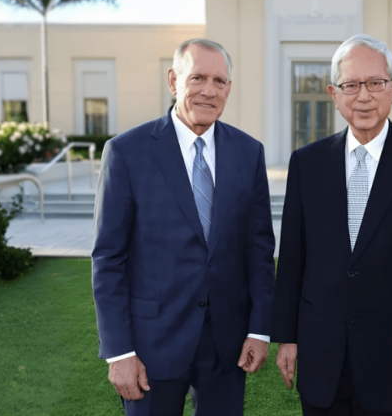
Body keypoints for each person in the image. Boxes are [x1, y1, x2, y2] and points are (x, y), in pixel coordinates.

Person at [271, 34, 392, 416]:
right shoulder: (306, 164)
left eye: (375, 83)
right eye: (350, 85)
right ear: (333, 93)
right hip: (322, 358)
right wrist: (287, 338)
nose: (363, 96)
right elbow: (292, 259)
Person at [92, 38, 275, 416]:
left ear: (229, 88)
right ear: (174, 80)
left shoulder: (248, 152)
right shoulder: (127, 152)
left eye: (220, 81)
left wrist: (259, 329)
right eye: (198, 78)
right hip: (150, 344)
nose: (209, 91)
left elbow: (258, 250)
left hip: (226, 344)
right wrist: (120, 352)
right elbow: (109, 257)